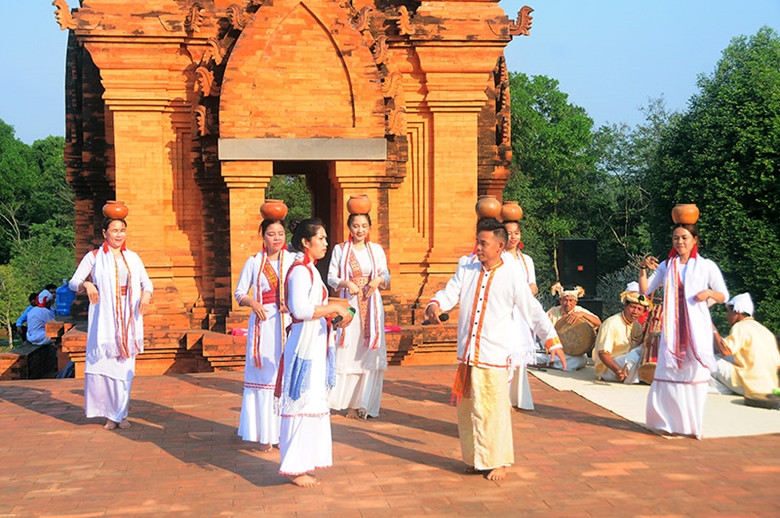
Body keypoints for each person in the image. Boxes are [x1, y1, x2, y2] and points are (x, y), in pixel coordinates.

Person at [424, 218, 565, 481]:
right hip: (468, 353)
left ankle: (498, 461)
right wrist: (435, 304)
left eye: (483, 243)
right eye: (477, 241)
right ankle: (476, 459)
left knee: (492, 410)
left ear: (500, 246)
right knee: (467, 411)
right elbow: (450, 291)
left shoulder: (512, 275)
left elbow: (532, 310)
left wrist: (551, 340)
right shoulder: (467, 267)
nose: (477, 247)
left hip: (493, 355)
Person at [277, 218, 353, 487]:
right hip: (304, 344)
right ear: (305, 243)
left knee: (313, 401)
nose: (325, 243)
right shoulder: (300, 271)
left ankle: (305, 461)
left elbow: (316, 305)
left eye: (325, 238)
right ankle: (296, 466)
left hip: (316, 340)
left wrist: (340, 312)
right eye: (320, 238)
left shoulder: (312, 270)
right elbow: (300, 310)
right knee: (300, 401)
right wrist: (335, 309)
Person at [639, 221, 728, 439]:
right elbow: (645, 290)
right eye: (676, 238)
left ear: (695, 240)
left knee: (694, 377)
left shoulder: (706, 266)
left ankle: (690, 427)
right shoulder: (667, 266)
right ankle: (665, 423)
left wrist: (708, 294)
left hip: (696, 330)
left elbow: (723, 295)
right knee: (667, 376)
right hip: (672, 331)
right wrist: (642, 267)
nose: (680, 242)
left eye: (685, 238)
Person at [69, 214, 153, 430]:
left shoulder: (133, 258)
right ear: (105, 233)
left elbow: (147, 284)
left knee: (124, 369)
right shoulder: (94, 257)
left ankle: (120, 414)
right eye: (114, 230)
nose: (119, 234)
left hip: (128, 319)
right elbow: (73, 282)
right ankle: (108, 413)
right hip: (104, 319)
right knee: (103, 366)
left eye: (122, 230)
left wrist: (145, 296)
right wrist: (87, 286)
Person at [235, 217, 294, 451]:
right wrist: (252, 302)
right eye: (271, 234)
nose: (276, 238)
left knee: (283, 375)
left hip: (286, 320)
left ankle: (281, 433)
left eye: (280, 233)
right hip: (262, 324)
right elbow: (239, 293)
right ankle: (264, 435)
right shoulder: (254, 262)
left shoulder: (293, 261)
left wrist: (290, 304)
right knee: (264, 377)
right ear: (263, 237)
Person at [327, 212, 390, 419]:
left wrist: (378, 280)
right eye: (355, 226)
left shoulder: (376, 250)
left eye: (364, 225)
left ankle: (366, 404)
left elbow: (386, 274)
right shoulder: (340, 250)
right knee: (349, 349)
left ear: (369, 227)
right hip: (350, 303)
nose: (360, 230)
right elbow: (331, 277)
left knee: (369, 352)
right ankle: (349, 404)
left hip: (372, 303)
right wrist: (346, 283)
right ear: (349, 227)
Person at [711, 293, 780, 396]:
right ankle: (726, 388)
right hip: (768, 386)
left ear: (737, 312)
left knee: (706, 358)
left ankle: (722, 389)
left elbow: (725, 351)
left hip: (748, 384)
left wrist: (712, 329)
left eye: (728, 311)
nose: (727, 315)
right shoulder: (764, 330)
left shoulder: (740, 327)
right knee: (725, 357)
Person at [503, 219, 538, 410]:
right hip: (506, 311)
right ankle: (503, 398)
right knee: (507, 353)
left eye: (516, 233)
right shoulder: (500, 258)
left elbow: (532, 284)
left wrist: (529, 290)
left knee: (520, 355)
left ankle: (519, 398)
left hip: (522, 312)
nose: (513, 237)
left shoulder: (526, 260)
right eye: (508, 233)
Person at [592, 282, 649, 383]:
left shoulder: (636, 325)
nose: (635, 312)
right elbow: (602, 353)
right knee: (636, 355)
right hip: (609, 368)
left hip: (626, 362)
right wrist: (617, 370)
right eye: (632, 307)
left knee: (644, 349)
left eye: (639, 309)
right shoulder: (611, 323)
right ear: (625, 305)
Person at [544, 283, 602, 370]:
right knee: (543, 356)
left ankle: (550, 364)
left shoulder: (580, 310)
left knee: (580, 360)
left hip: (575, 354)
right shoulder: (553, 311)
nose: (568, 303)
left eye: (571, 300)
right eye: (565, 300)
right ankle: (555, 363)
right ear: (560, 300)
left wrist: (582, 315)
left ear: (575, 302)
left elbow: (598, 322)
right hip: (556, 350)